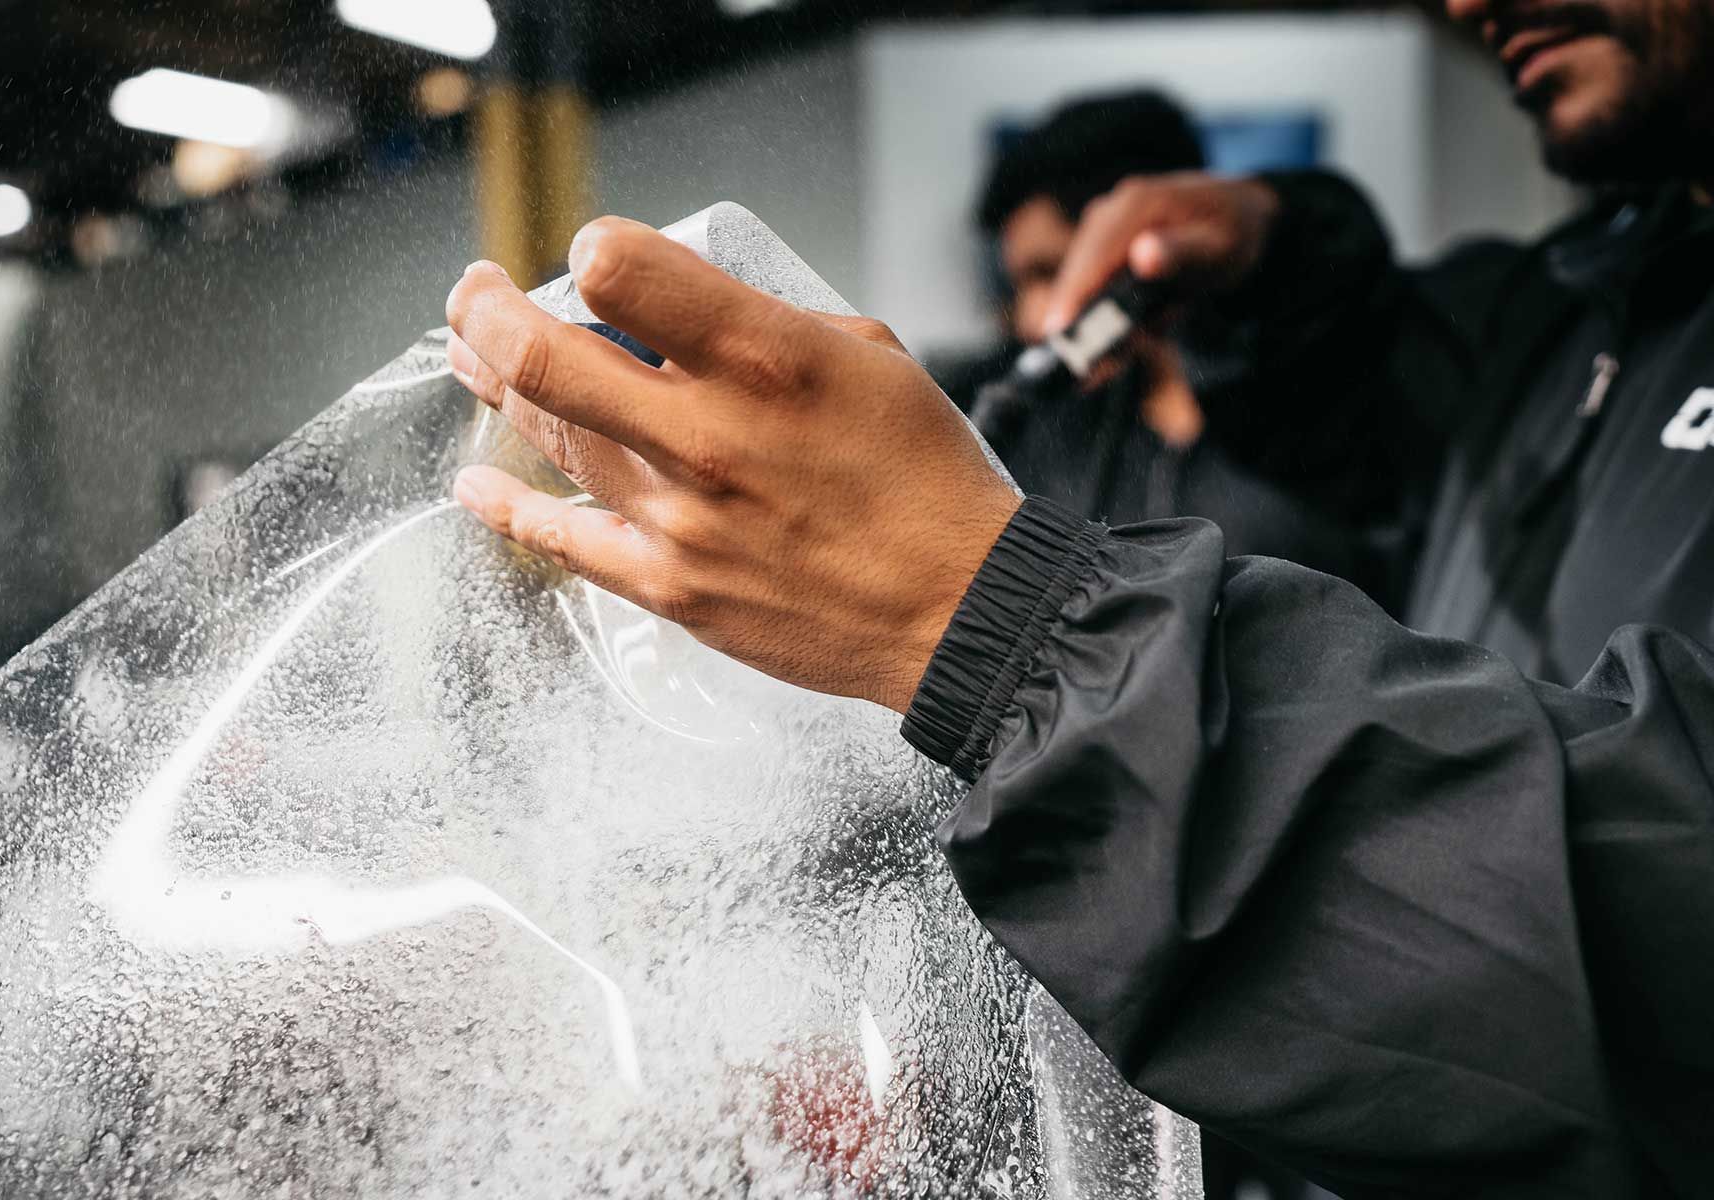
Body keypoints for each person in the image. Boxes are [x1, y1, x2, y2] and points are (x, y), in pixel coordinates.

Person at [438, 0, 1714, 1193]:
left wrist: (1008, 634)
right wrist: (1281, 265)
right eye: (1026, 274)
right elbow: (1408, 381)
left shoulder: (1273, 497)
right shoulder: (1600, 301)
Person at [970, 91, 1373, 603]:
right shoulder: (1053, 430)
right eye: (1018, 286)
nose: (1030, 319)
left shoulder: (1311, 409)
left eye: (1049, 272)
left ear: (1131, 245)